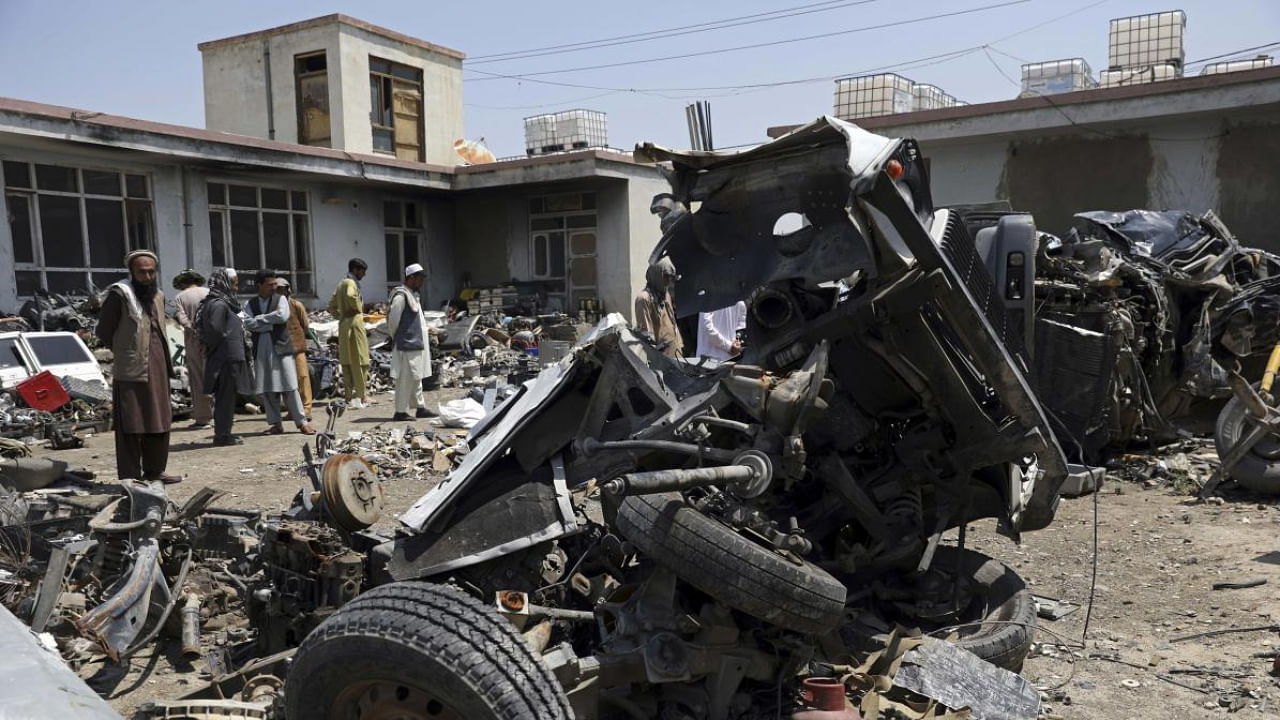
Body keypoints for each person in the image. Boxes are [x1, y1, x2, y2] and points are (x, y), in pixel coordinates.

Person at [94, 250, 180, 483]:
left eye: (152, 272)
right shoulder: (119, 295)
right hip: (131, 368)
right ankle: (131, 477)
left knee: (160, 420)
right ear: (132, 272)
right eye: (142, 272)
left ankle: (155, 471)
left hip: (159, 366)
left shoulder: (159, 296)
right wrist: (125, 350)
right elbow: (103, 331)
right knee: (132, 423)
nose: (148, 276)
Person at [245, 270, 315, 436]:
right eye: (270, 285)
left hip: (281, 347)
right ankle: (276, 423)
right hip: (261, 348)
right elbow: (247, 322)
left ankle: (301, 422)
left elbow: (282, 316)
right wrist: (270, 322)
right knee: (268, 388)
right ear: (259, 286)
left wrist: (260, 321)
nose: (273, 288)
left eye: (275, 284)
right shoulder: (251, 304)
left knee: (290, 385)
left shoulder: (281, 299)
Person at [197, 268, 249, 446]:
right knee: (225, 397)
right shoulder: (219, 304)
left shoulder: (222, 302)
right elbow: (215, 331)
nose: (236, 288)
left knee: (227, 396)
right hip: (225, 357)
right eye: (233, 283)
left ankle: (224, 432)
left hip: (227, 356)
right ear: (223, 283)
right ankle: (222, 435)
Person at [388, 263, 437, 421]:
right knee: (405, 379)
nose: (421, 282)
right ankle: (400, 411)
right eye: (419, 278)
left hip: (416, 344)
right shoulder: (400, 296)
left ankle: (420, 407)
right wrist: (399, 338)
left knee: (417, 377)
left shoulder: (412, 295)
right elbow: (393, 322)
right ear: (411, 278)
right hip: (406, 345)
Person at [328, 258, 371, 408]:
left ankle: (348, 396)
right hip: (354, 325)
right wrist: (357, 309)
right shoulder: (350, 283)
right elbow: (351, 295)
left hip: (344, 325)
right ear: (356, 270)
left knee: (346, 361)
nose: (364, 275)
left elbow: (331, 307)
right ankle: (362, 396)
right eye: (362, 271)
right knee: (360, 360)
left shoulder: (341, 283)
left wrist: (341, 317)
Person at [172, 269, 212, 428]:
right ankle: (222, 415)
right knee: (216, 376)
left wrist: (194, 331)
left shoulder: (180, 297)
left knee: (197, 379)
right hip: (213, 340)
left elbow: (182, 319)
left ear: (182, 283)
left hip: (193, 342)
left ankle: (203, 418)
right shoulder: (209, 292)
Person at [276, 278, 312, 421]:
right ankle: (293, 410)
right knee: (287, 381)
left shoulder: (296, 305)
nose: (279, 292)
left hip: (297, 347)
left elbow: (305, 325)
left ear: (287, 290)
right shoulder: (274, 307)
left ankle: (307, 408)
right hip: (281, 349)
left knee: (302, 377)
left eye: (281, 289)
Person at [633, 257, 684, 358]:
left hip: (675, 351)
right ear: (657, 275)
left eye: (670, 277)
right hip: (661, 357)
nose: (668, 281)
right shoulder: (644, 298)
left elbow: (672, 323)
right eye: (665, 276)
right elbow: (646, 335)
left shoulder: (665, 294)